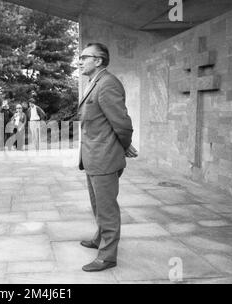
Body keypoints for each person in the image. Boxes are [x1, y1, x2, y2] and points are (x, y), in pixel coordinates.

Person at [78, 42, 137, 272]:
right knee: (97, 203)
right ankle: (99, 238)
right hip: (93, 155)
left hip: (104, 156)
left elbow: (121, 122)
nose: (80, 61)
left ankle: (108, 255)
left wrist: (126, 145)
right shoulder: (94, 82)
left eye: (84, 57)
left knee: (107, 207)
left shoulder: (108, 84)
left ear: (99, 60)